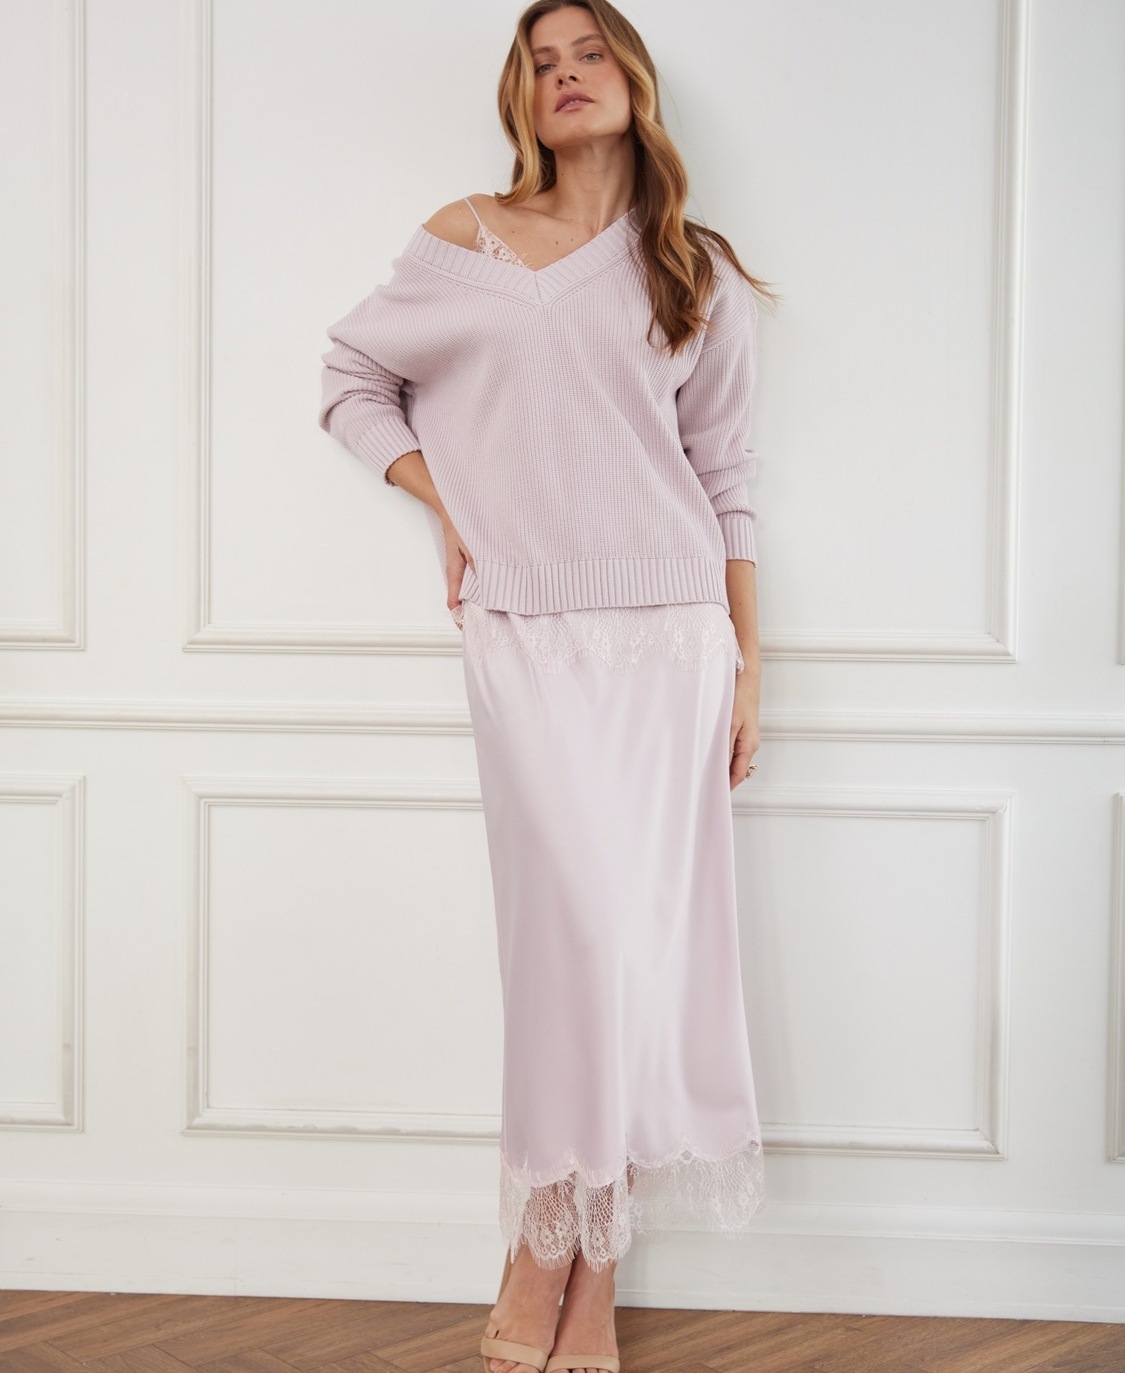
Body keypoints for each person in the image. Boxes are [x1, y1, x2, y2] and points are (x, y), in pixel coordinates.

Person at [317, 3, 777, 1370]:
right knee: (572, 938)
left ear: (633, 80)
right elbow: (350, 381)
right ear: (519, 100)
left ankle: (592, 1265)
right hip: (526, 629)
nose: (565, 74)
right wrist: (446, 502)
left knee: (637, 952)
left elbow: (728, 478)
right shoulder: (464, 241)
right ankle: (542, 1239)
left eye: (586, 54)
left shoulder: (691, 269)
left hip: (673, 639)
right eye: (540, 61)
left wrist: (750, 666)